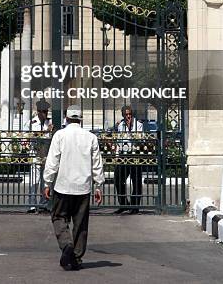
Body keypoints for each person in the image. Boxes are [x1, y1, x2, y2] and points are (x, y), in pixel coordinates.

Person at [43, 104, 104, 271]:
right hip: (83, 187)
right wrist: (98, 186)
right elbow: (97, 163)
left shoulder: (60, 135)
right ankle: (76, 257)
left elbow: (52, 161)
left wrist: (47, 182)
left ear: (66, 118)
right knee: (80, 223)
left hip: (63, 186)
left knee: (58, 217)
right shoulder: (91, 137)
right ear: (80, 119)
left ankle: (66, 244)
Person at [24, 99, 53, 213]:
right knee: (34, 180)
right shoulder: (32, 123)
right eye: (43, 111)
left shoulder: (49, 122)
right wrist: (47, 131)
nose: (45, 114)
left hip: (46, 153)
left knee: (45, 179)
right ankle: (32, 204)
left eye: (46, 111)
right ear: (38, 111)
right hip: (35, 153)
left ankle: (44, 203)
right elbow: (34, 136)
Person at [114, 104, 143, 214]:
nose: (128, 116)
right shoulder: (120, 125)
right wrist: (117, 155)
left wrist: (131, 128)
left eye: (130, 114)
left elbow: (139, 140)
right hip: (123, 155)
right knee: (118, 180)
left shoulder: (138, 125)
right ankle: (124, 204)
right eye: (126, 115)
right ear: (123, 115)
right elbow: (118, 140)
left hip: (134, 155)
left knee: (136, 182)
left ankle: (134, 206)